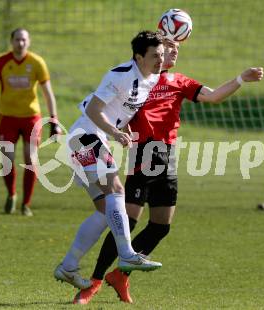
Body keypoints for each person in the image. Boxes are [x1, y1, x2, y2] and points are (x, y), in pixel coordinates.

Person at [72, 39, 264, 304]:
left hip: (168, 157)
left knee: (161, 227)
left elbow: (213, 96)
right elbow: (108, 103)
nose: (172, 52)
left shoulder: (179, 81)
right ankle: (93, 282)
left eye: (176, 49)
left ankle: (120, 275)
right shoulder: (139, 81)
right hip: (142, 155)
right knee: (125, 223)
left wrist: (241, 78)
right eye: (166, 48)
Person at [53, 30, 165, 290]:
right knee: (116, 190)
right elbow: (93, 109)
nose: (160, 60)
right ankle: (127, 254)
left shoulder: (151, 77)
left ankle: (68, 267)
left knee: (105, 211)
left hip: (90, 139)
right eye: (154, 55)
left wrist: (118, 127)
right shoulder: (122, 74)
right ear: (139, 57)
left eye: (161, 55)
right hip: (85, 137)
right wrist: (115, 131)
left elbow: (117, 109)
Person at [0, 28, 61, 216]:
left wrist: (54, 120)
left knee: (31, 159)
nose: (20, 43)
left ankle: (26, 204)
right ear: (11, 41)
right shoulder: (0, 61)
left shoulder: (37, 62)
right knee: (7, 159)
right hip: (7, 117)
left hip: (31, 118)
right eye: (17, 39)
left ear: (28, 42)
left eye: (23, 40)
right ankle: (12, 194)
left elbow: (48, 93)